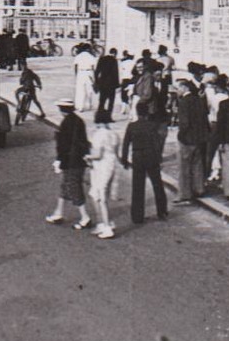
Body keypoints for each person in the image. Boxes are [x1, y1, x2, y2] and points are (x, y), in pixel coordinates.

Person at [45, 98, 93, 230]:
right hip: (80, 160)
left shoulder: (65, 124)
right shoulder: (79, 121)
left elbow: (63, 145)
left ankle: (85, 217)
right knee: (65, 186)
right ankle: (58, 213)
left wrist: (59, 160)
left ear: (62, 110)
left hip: (70, 161)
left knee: (73, 187)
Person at [122, 100, 170, 224]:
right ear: (147, 113)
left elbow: (126, 144)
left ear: (137, 113)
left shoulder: (131, 126)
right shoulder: (152, 125)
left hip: (137, 156)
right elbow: (157, 143)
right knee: (157, 184)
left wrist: (124, 159)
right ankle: (162, 211)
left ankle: (137, 216)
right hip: (151, 156)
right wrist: (159, 158)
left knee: (138, 186)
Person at [85, 108, 122, 239]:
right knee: (94, 194)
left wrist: (87, 157)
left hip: (101, 167)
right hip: (112, 166)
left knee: (101, 197)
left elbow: (98, 155)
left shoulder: (98, 135)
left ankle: (107, 226)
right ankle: (101, 222)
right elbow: (117, 154)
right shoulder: (115, 135)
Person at [175, 78, 210, 203]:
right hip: (199, 138)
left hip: (187, 138)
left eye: (178, 88)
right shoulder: (199, 100)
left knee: (184, 167)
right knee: (198, 165)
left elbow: (184, 122)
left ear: (185, 88)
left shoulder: (184, 102)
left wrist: (181, 135)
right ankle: (199, 189)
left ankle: (185, 193)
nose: (177, 90)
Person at [72, 44, 98, 114]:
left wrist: (76, 75)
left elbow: (75, 66)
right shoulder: (91, 56)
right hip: (89, 73)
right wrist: (95, 79)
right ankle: (89, 104)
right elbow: (94, 68)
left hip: (80, 73)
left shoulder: (78, 56)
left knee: (80, 90)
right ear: (88, 49)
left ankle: (80, 107)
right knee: (89, 90)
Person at [94, 47, 120, 117]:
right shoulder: (114, 60)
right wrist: (117, 85)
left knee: (102, 101)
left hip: (102, 83)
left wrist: (96, 82)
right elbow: (115, 73)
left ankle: (99, 116)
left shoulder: (102, 59)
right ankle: (108, 116)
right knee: (111, 102)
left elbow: (96, 72)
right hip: (111, 84)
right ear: (115, 54)